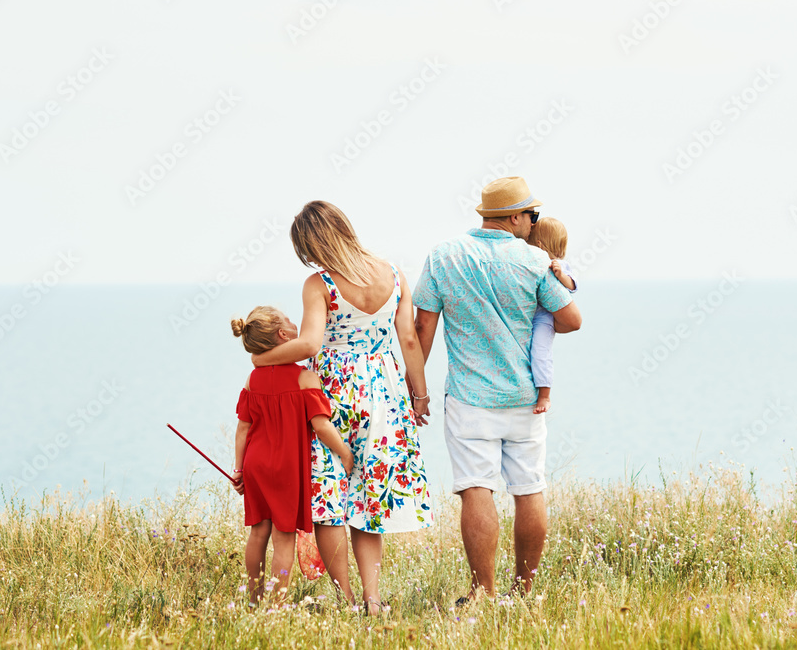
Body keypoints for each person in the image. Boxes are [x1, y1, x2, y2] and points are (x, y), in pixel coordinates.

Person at [251, 200, 434, 615]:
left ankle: (346, 600)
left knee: (329, 500)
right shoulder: (393, 274)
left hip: (332, 394)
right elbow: (409, 339)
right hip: (383, 392)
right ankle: (373, 599)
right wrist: (419, 396)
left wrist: (263, 359)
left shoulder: (319, 283)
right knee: (370, 498)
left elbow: (310, 343)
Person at [412, 176, 582, 602]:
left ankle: (482, 592)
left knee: (476, 488)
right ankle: (523, 592)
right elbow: (572, 319)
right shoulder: (534, 261)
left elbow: (422, 329)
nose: (534, 223)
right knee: (529, 489)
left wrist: (417, 392)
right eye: (531, 215)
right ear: (514, 217)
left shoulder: (443, 256)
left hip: (469, 398)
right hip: (526, 399)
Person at [229, 306, 354, 607]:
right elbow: (321, 426)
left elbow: (243, 429)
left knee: (258, 533)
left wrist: (239, 469)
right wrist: (345, 452)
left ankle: (254, 600)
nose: (293, 319)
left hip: (255, 464)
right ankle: (276, 606)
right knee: (283, 538)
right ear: (283, 334)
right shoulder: (305, 378)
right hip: (287, 468)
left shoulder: (252, 379)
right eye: (287, 318)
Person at [527, 217, 578, 414]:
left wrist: (561, 275)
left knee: (540, 351)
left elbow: (573, 286)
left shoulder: (560, 265)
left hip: (544, 317)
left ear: (539, 245)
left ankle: (544, 394)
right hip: (529, 314)